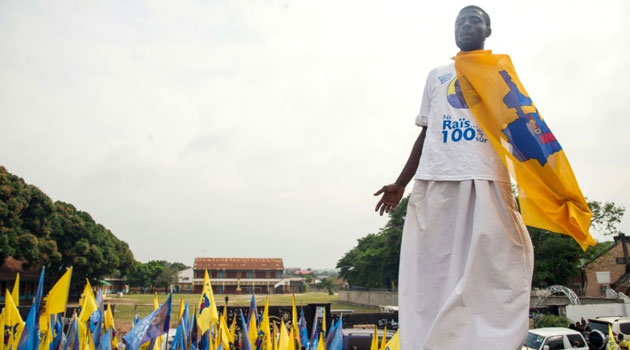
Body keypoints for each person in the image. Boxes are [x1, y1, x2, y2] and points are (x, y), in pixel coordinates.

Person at [374, 5, 533, 350]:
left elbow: (523, 128)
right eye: (460, 21)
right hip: (437, 180)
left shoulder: (501, 73)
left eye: (474, 20)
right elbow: (425, 134)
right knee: (431, 272)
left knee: (496, 269)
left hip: (487, 178)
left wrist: (546, 183)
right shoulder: (437, 75)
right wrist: (401, 182)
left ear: (487, 31)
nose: (466, 25)